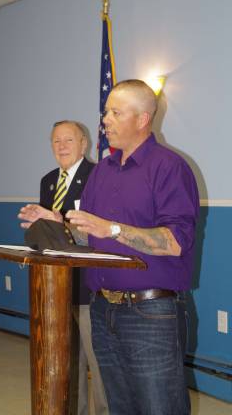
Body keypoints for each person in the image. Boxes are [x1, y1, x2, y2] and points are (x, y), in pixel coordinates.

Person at [64, 80, 200, 415]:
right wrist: (56, 224)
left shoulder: (169, 167)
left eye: (115, 112)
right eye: (105, 111)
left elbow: (175, 242)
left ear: (142, 119)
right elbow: (90, 236)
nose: (105, 119)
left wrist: (111, 228)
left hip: (149, 314)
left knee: (160, 408)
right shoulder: (103, 171)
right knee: (120, 407)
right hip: (102, 310)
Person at [18, 120, 109, 415]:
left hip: (89, 285)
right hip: (57, 287)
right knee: (70, 363)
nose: (61, 147)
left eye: (68, 140)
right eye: (56, 141)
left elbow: (97, 232)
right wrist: (36, 225)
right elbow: (51, 233)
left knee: (98, 363)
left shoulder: (99, 176)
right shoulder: (48, 181)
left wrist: (59, 221)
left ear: (84, 144)